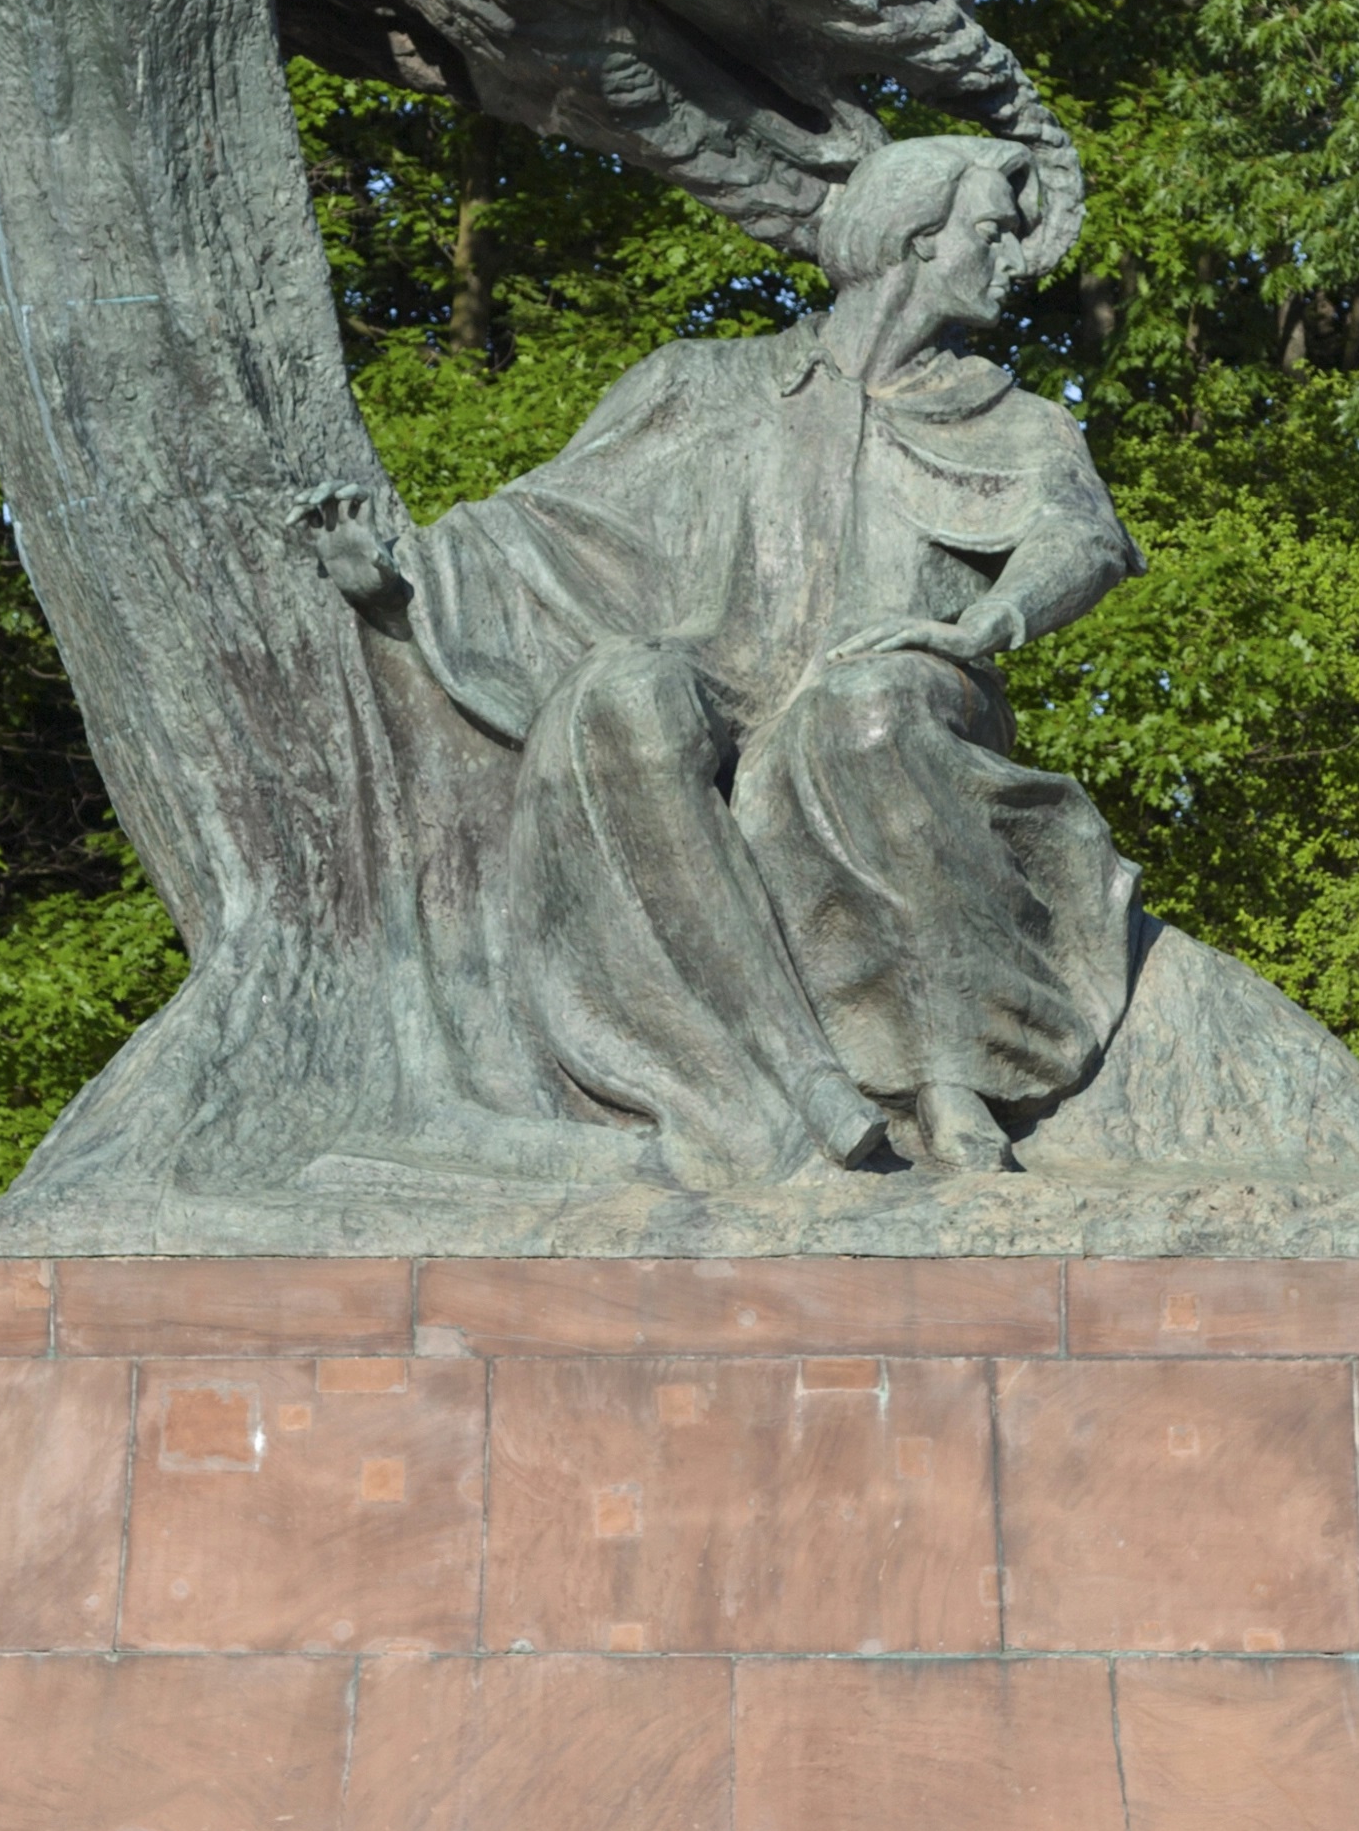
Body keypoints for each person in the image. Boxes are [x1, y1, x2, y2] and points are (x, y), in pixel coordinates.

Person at [299, 131, 1144, 1183]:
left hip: (902, 680)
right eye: (992, 233)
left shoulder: (1012, 420)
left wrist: (989, 623)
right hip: (734, 669)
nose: (1016, 261)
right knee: (622, 696)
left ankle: (949, 1077)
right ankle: (796, 1079)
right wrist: (402, 576)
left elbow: (1084, 538)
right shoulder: (704, 383)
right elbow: (549, 522)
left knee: (859, 712)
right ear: (917, 238)